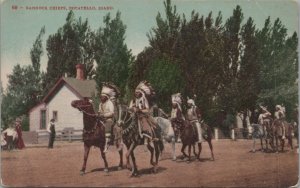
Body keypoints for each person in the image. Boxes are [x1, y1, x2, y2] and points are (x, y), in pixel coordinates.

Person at [98, 83, 119, 153]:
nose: (101, 98)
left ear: (106, 97)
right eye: (101, 97)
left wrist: (104, 115)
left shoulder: (110, 103)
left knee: (108, 125)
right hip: (101, 119)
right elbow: (99, 111)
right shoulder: (100, 104)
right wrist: (98, 114)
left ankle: (107, 144)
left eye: (103, 97)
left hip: (109, 119)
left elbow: (112, 112)